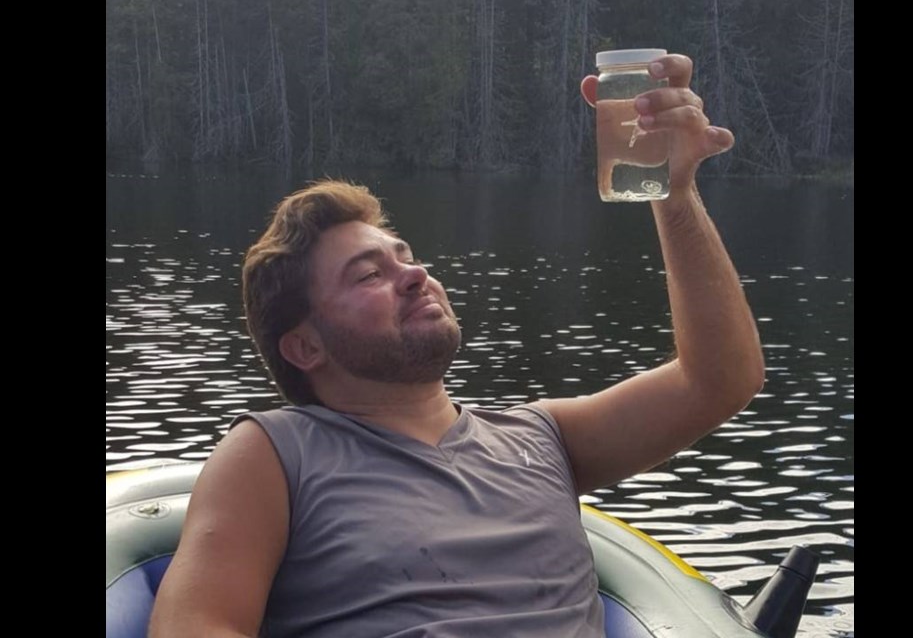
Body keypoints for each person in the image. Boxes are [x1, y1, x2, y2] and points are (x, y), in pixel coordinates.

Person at [149, 54, 764, 638]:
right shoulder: (275, 454)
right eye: (368, 275)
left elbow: (719, 381)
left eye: (406, 257)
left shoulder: (543, 438)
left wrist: (673, 194)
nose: (415, 275)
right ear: (305, 347)